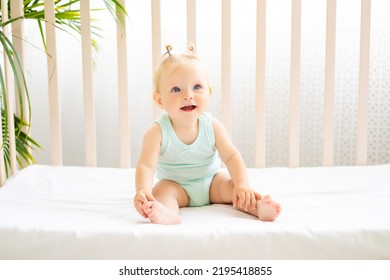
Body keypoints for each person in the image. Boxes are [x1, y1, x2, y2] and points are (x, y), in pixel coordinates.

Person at [134, 45, 281, 225]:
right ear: (159, 100)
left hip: (212, 182)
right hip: (176, 186)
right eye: (176, 89)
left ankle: (258, 207)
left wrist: (242, 184)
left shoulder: (212, 126)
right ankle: (167, 213)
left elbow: (232, 156)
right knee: (160, 192)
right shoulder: (156, 132)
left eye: (196, 87)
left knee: (235, 188)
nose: (188, 95)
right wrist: (142, 190)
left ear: (209, 93)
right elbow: (146, 166)